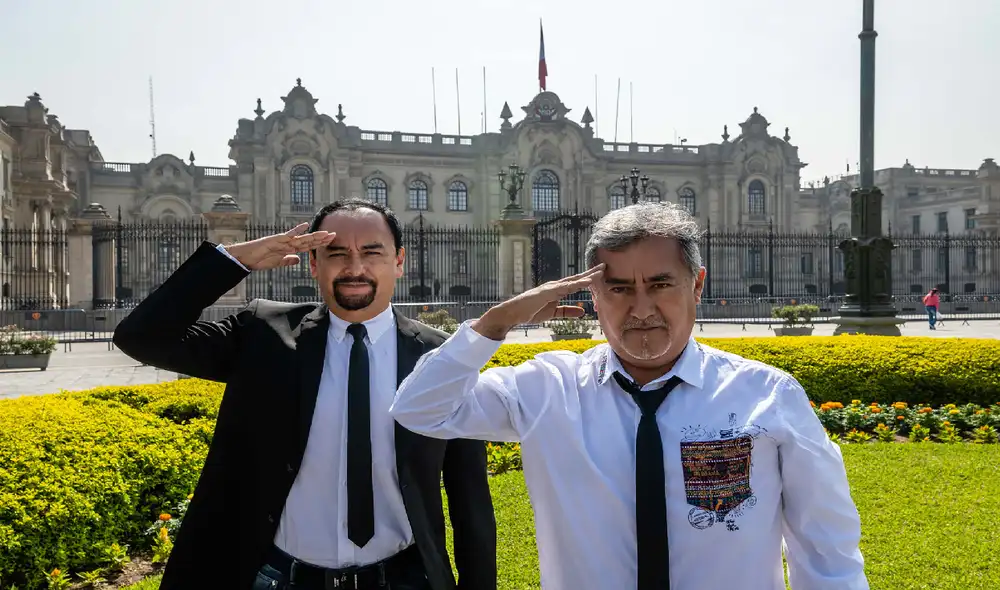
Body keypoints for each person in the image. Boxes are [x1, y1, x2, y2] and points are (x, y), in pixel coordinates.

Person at [389, 202, 869, 590]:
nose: (641, 309)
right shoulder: (547, 389)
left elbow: (826, 546)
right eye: (618, 289)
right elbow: (418, 409)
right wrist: (495, 323)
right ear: (593, 296)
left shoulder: (765, 395)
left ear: (697, 285)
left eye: (660, 284)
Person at [113, 198, 496, 590]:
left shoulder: (442, 359)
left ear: (398, 261)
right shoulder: (265, 334)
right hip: (283, 578)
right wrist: (234, 260)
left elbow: (471, 501)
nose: (355, 268)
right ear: (313, 263)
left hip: (405, 578)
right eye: (336, 253)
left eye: (371, 252)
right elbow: (141, 337)